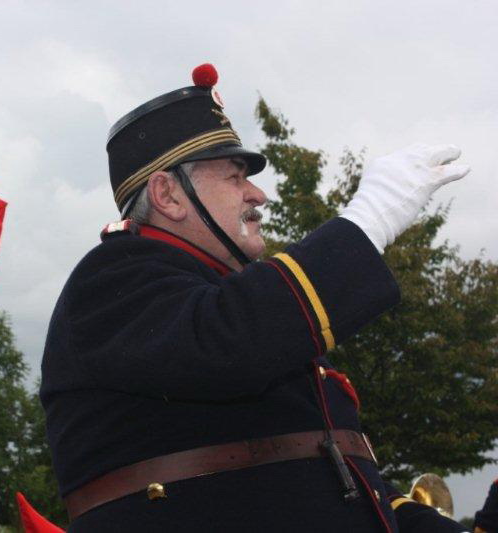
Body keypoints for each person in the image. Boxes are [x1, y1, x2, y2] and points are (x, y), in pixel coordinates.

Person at [39, 63, 469, 532]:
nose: (258, 194)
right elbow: (231, 341)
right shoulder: (112, 278)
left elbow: (342, 479)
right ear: (168, 195)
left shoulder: (233, 303)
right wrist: (369, 220)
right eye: (235, 177)